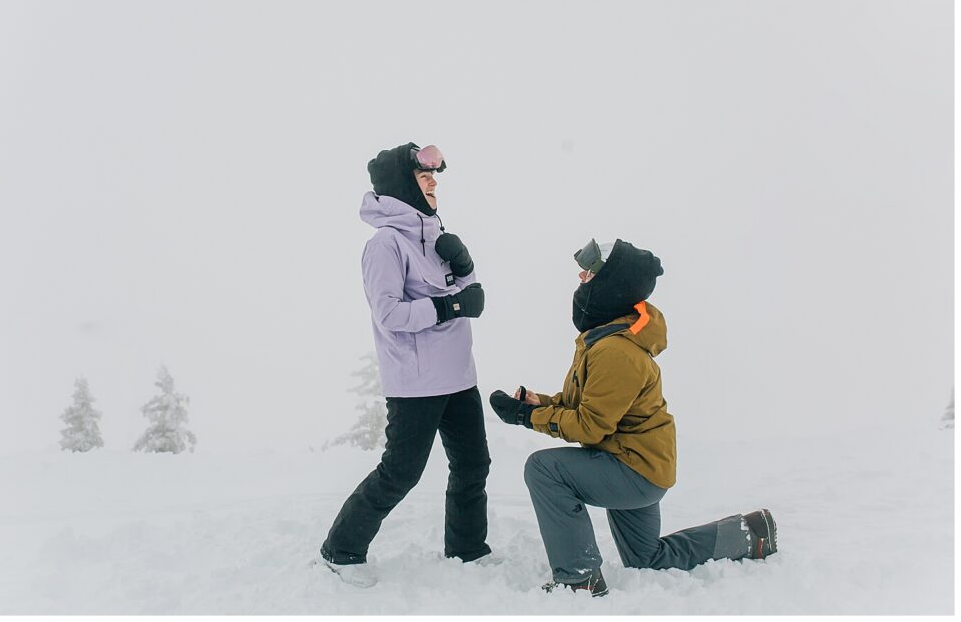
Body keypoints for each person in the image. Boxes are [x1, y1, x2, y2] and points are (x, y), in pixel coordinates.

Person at [489, 238, 776, 598]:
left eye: (589, 273)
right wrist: (536, 404)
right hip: (638, 462)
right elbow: (585, 404)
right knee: (646, 558)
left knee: (543, 469)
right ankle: (751, 532)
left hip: (631, 468)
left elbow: (591, 426)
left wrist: (527, 418)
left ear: (610, 285)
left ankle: (579, 579)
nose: (581, 277)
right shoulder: (607, 339)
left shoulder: (616, 351)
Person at [319, 142, 494, 588]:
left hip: (459, 376)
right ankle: (340, 550)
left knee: (474, 465)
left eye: (435, 176)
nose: (434, 183)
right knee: (401, 473)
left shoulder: (435, 235)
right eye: (424, 177)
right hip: (416, 384)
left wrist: (466, 268)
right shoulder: (385, 245)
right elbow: (390, 315)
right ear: (403, 186)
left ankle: (468, 551)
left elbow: (465, 294)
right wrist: (450, 307)